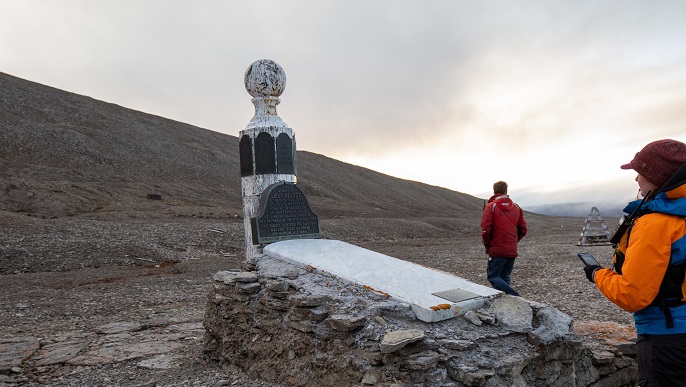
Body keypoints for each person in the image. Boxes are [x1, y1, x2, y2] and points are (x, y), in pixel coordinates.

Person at [583, 139, 686, 386]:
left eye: (640, 172)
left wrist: (597, 274)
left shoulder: (655, 224)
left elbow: (633, 295)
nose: (636, 179)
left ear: (656, 176)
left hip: (666, 337)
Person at [480, 181, 527, 296]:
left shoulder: (491, 207)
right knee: (505, 276)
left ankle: (515, 297)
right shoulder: (516, 207)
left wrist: (488, 245)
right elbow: (523, 230)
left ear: (494, 191)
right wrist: (513, 241)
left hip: (497, 249)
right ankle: (509, 304)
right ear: (506, 191)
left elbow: (486, 230)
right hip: (511, 249)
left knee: (493, 276)